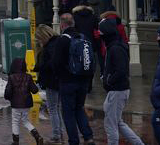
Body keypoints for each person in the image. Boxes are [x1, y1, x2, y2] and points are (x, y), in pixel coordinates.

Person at [47, 12, 94, 145]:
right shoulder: (83, 38)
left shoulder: (63, 39)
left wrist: (60, 76)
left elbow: (56, 62)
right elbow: (91, 61)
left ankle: (74, 140)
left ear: (62, 25)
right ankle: (88, 136)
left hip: (68, 82)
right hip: (83, 81)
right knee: (79, 108)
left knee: (68, 113)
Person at [100, 19, 143, 145]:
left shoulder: (116, 48)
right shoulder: (115, 46)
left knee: (110, 124)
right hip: (118, 90)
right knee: (117, 122)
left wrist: (108, 80)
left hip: (117, 90)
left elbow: (121, 70)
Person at [4, 57, 45, 145]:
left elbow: (8, 92)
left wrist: (8, 97)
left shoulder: (11, 77)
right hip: (26, 104)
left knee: (15, 121)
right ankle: (38, 137)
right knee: (25, 121)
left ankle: (16, 142)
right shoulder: (28, 77)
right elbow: (34, 90)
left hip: (15, 104)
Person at [34, 25, 63, 145]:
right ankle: (59, 132)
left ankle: (57, 135)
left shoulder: (49, 48)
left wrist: (40, 67)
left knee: (53, 108)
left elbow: (48, 65)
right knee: (57, 108)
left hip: (52, 81)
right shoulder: (59, 42)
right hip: (61, 80)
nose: (39, 42)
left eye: (39, 39)